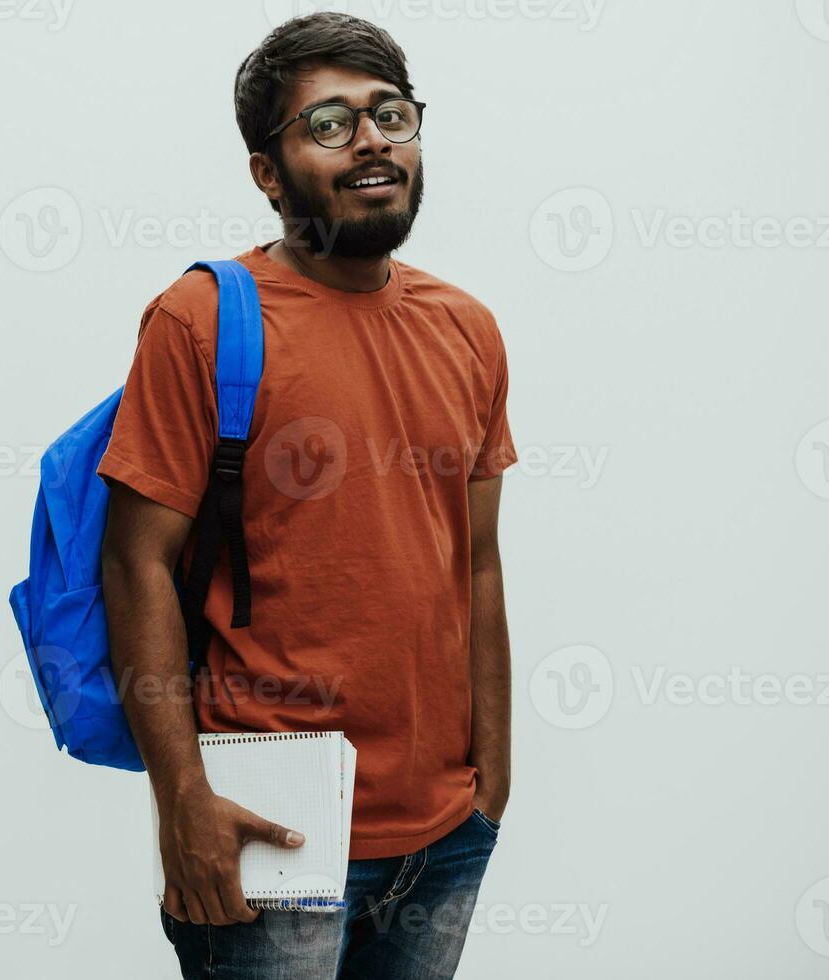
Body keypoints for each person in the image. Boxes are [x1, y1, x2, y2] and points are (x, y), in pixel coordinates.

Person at [96, 12, 518, 978]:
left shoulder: (468, 328)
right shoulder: (201, 318)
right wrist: (183, 801)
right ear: (268, 171)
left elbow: (478, 563)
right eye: (328, 124)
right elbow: (137, 564)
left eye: (390, 115)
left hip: (445, 832)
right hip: (271, 823)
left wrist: (491, 781)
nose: (371, 140)